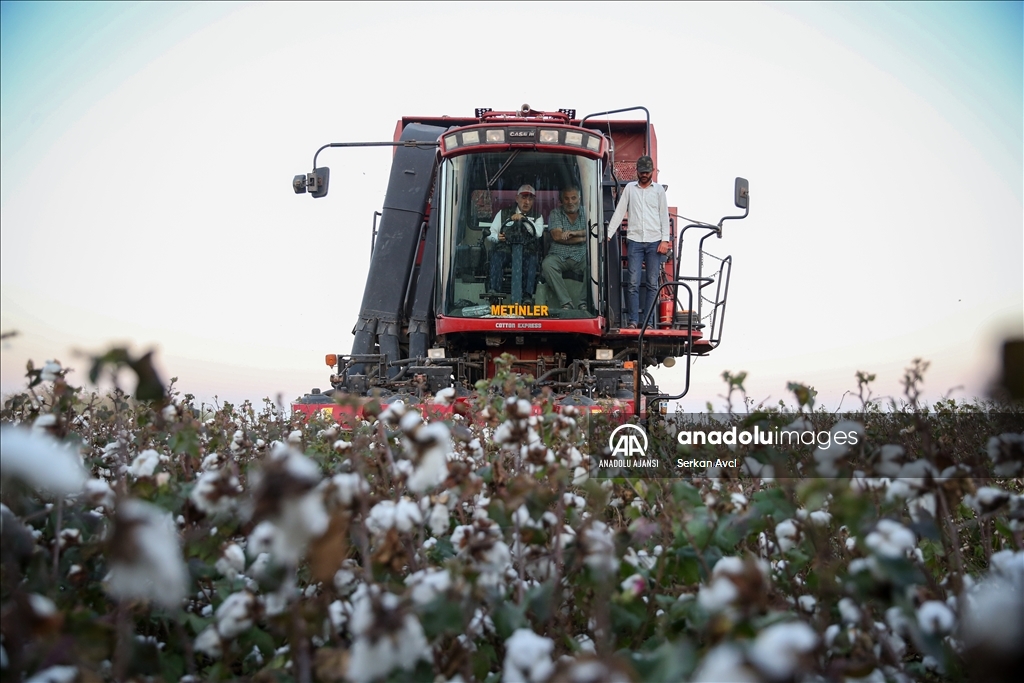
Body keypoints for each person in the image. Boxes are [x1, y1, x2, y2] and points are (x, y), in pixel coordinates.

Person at [606, 155, 670, 328]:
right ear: (637, 172)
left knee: (652, 283)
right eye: (641, 172)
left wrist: (665, 240)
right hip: (634, 240)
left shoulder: (658, 191)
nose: (644, 175)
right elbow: (619, 211)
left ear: (652, 172)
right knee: (633, 282)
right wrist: (609, 233)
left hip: (654, 241)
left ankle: (648, 322)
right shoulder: (629, 189)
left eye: (647, 172)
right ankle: (634, 321)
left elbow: (664, 216)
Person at [487, 184, 545, 303]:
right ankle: (494, 292)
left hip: (527, 252)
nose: (527, 202)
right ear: (517, 198)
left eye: (530, 199)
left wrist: (524, 219)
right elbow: (491, 233)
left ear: (533, 201)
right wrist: (497, 237)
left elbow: (538, 233)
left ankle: (527, 296)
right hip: (506, 250)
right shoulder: (503, 213)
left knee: (532, 261)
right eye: (524, 198)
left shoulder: (538, 217)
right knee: (496, 257)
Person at [541, 185, 588, 310]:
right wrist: (584, 237)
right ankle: (566, 302)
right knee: (547, 264)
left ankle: (583, 302)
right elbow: (557, 236)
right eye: (566, 199)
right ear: (561, 200)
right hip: (559, 255)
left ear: (580, 198)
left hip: (581, 255)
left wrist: (575, 233)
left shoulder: (587, 212)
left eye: (573, 198)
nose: (570, 202)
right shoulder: (555, 213)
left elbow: (595, 230)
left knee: (594, 265)